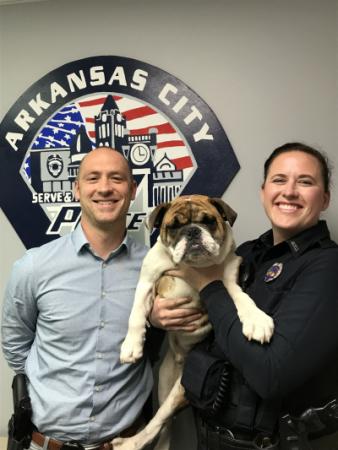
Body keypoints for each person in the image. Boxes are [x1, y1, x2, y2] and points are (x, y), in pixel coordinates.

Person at [2, 147, 200, 450]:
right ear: (77, 189)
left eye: (116, 178)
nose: (105, 188)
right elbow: (15, 344)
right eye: (93, 178)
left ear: (133, 190)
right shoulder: (34, 267)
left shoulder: (160, 271)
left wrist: (155, 319)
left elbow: (186, 335)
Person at [150, 142, 338, 450]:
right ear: (264, 191)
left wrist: (209, 286)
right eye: (279, 180)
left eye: (305, 181)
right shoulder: (248, 253)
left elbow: (270, 375)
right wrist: (159, 316)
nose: (289, 191)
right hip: (210, 435)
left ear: (325, 197)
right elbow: (209, 330)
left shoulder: (327, 266)